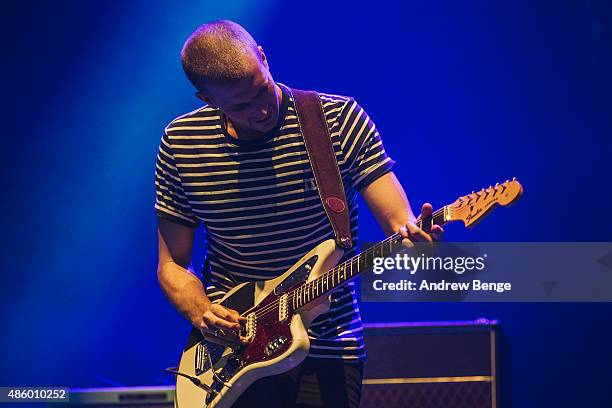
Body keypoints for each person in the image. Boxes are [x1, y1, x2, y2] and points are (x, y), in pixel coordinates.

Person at [155, 20, 443, 408]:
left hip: (326, 340)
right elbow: (172, 263)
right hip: (231, 352)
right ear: (206, 99)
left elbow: (398, 221)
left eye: (261, 89)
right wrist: (202, 311)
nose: (260, 109)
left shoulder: (338, 121)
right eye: (240, 105)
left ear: (263, 56)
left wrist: (414, 238)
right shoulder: (181, 143)